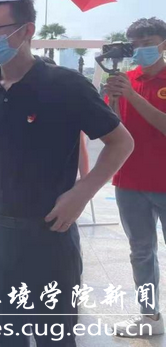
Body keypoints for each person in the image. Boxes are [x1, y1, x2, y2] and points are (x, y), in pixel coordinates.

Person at [0, 0, 134, 347]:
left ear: (27, 30)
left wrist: (81, 194)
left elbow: (121, 142)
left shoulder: (66, 85)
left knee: (55, 336)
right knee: (5, 335)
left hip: (49, 231)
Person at [103, 17, 166, 337]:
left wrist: (133, 96)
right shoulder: (123, 80)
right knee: (141, 252)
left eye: (148, 43)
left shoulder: (134, 85)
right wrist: (114, 101)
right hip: (129, 181)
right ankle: (149, 316)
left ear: (163, 44)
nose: (141, 50)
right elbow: (113, 131)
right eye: (135, 45)